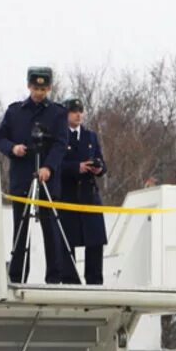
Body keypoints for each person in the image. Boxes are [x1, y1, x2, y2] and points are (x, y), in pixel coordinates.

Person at [0, 66, 77, 284]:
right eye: (36, 87)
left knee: (51, 228)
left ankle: (54, 277)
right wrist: (13, 148)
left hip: (47, 179)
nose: (39, 92)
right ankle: (18, 275)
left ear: (49, 88)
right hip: (22, 177)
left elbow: (61, 143)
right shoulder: (15, 112)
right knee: (21, 229)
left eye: (43, 88)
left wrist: (48, 167)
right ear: (29, 86)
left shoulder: (57, 113)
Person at [59, 98, 108, 285]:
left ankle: (95, 282)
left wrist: (98, 168)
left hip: (89, 195)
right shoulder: (60, 137)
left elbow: (102, 164)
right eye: (73, 111)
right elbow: (56, 164)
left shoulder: (90, 136)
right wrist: (76, 167)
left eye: (80, 110)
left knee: (95, 241)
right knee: (66, 242)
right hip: (68, 196)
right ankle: (71, 282)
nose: (78, 114)